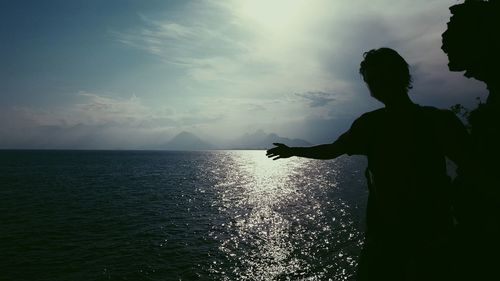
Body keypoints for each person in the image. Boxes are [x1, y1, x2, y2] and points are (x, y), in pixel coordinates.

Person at [266, 48, 470, 280]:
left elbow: (332, 150)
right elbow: (471, 165)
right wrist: (292, 151)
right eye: (371, 80)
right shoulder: (434, 120)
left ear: (397, 77)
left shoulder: (375, 125)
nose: (375, 85)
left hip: (406, 238)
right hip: (416, 233)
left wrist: (292, 151)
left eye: (377, 79)